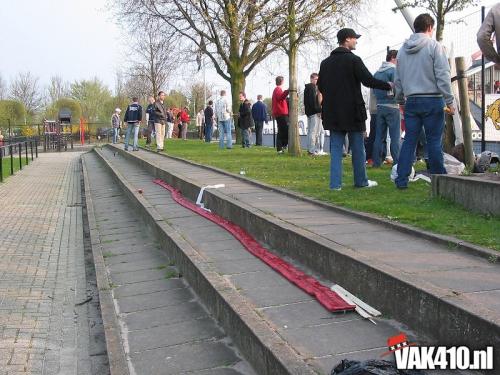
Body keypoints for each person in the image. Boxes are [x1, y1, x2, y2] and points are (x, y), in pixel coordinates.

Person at [318, 28, 391, 190]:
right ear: (346, 40)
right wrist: (388, 85)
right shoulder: (354, 60)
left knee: (336, 149)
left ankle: (335, 184)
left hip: (333, 113)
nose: (356, 41)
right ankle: (361, 181)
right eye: (354, 38)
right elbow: (368, 80)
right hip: (353, 112)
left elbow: (321, 86)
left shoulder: (325, 63)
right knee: (358, 148)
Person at [394, 13, 455, 189]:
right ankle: (439, 180)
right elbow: (443, 75)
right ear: (430, 28)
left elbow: (398, 79)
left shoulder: (402, 50)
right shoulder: (435, 46)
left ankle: (401, 180)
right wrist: (449, 100)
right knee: (434, 141)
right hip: (433, 100)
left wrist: (400, 99)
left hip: (411, 100)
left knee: (409, 141)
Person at [372, 50, 400, 168]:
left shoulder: (377, 73)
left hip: (379, 106)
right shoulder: (393, 70)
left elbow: (373, 90)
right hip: (392, 106)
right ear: (393, 58)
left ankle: (376, 162)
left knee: (379, 136)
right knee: (395, 137)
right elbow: (397, 87)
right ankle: (397, 162)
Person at [304, 73, 323, 155]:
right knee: (314, 132)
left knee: (311, 132)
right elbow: (313, 101)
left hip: (309, 112)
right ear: (311, 79)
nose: (317, 81)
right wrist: (319, 110)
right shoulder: (312, 87)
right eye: (316, 79)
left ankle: (311, 149)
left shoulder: (307, 88)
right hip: (314, 113)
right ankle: (312, 150)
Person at [272, 76, 289, 153]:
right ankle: (281, 147)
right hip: (281, 113)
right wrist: (287, 91)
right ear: (282, 81)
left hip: (280, 113)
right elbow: (280, 97)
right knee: (283, 130)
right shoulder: (278, 89)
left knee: (282, 130)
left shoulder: (277, 89)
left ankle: (282, 147)